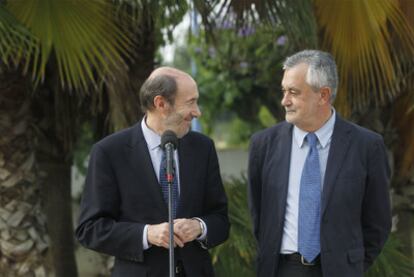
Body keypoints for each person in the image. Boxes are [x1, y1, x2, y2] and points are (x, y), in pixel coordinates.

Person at [247, 50, 391, 277]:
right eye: (284, 91)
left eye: (293, 92)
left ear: (323, 95)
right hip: (282, 269)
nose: (284, 100)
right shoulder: (263, 145)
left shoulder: (367, 146)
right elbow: (259, 215)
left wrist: (351, 266)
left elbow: (378, 221)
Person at [76, 67, 230, 277]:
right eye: (191, 102)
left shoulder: (203, 148)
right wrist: (148, 234)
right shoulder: (109, 152)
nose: (197, 112)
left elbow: (220, 219)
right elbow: (90, 229)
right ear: (161, 104)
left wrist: (199, 226)